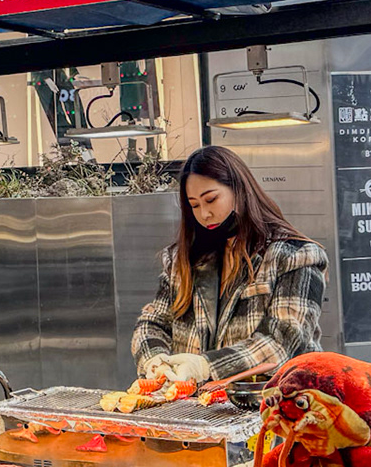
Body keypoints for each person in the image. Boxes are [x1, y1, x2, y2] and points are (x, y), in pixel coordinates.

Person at [131, 145, 328, 383]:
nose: (204, 214)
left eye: (211, 199)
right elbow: (151, 324)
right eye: (194, 205)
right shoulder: (183, 259)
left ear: (239, 190)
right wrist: (155, 361)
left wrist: (205, 366)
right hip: (193, 402)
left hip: (271, 401)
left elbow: (281, 343)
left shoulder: (295, 255)